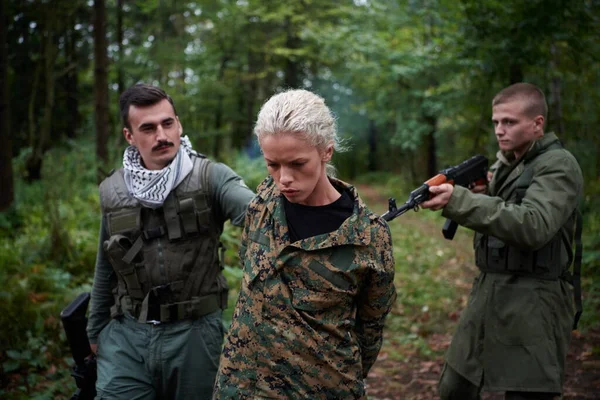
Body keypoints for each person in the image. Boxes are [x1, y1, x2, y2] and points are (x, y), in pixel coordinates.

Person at [213, 89, 397, 399]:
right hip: (242, 387)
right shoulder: (262, 206)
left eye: (298, 163)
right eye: (272, 165)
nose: (284, 178)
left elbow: (369, 330)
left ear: (327, 152)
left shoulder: (368, 237)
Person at [86, 83, 255, 399]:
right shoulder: (113, 190)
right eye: (147, 128)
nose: (161, 135)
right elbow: (105, 265)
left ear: (178, 124)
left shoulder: (211, 176)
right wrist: (95, 330)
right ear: (129, 136)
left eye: (167, 123)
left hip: (193, 335)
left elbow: (260, 216)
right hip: (126, 336)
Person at [421, 82, 583, 400]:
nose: (499, 130)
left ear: (538, 124)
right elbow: (504, 209)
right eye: (496, 122)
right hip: (489, 291)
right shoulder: (507, 164)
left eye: (509, 122)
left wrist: (460, 202)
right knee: (455, 387)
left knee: (526, 393)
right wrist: (483, 194)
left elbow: (533, 224)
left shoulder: (559, 165)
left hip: (535, 300)